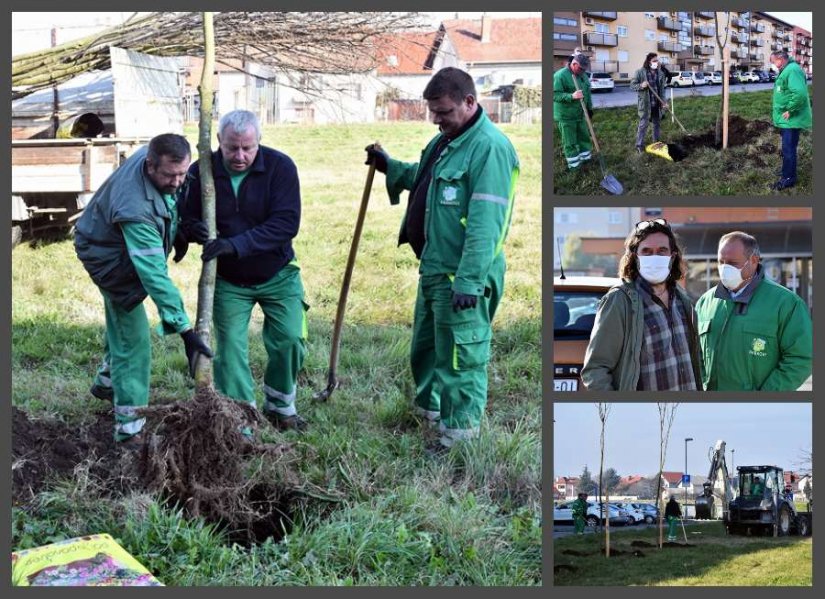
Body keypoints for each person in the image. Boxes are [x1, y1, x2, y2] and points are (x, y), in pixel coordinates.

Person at [364, 67, 519, 451]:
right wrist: (392, 168)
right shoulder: (445, 141)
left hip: (463, 276)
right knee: (426, 349)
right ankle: (432, 417)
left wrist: (469, 280)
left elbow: (487, 224)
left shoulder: (490, 149)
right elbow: (428, 178)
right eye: (432, 111)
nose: (436, 119)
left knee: (460, 356)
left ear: (470, 102)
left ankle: (459, 440)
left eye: (444, 111)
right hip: (434, 268)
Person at [74, 134, 213, 444]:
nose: (177, 181)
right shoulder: (134, 208)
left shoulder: (158, 156)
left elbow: (167, 202)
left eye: (183, 173)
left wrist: (180, 230)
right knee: (134, 343)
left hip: (115, 239)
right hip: (107, 256)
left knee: (124, 331)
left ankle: (107, 381)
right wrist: (185, 331)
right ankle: (129, 431)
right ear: (150, 166)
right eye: (169, 175)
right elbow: (155, 277)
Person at [183, 110, 309, 431]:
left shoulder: (281, 168)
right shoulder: (202, 172)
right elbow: (184, 216)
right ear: (218, 143)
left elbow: (285, 224)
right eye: (231, 148)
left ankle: (281, 407)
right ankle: (242, 421)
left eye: (247, 148)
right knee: (230, 350)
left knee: (291, 339)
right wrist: (191, 229)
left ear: (259, 143)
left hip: (278, 273)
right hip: (228, 279)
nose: (240, 156)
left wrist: (235, 244)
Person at [581, 219, 701, 391]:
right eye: (647, 251)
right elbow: (596, 369)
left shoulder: (683, 299)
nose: (655, 257)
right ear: (635, 257)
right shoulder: (620, 301)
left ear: (672, 256)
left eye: (662, 251)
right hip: (644, 415)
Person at [695, 232, 812, 391]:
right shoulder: (705, 302)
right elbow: (696, 355)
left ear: (754, 261)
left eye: (732, 263)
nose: (724, 269)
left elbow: (801, 359)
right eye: (721, 262)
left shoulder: (787, 304)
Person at [769, 50, 812, 190]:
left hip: (791, 118)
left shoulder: (792, 70)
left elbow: (799, 93)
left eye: (774, 61)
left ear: (781, 59)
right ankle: (786, 172)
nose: (773, 65)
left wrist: (790, 109)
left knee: (788, 149)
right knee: (787, 148)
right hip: (787, 119)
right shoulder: (787, 69)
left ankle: (789, 179)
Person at [553, 53, 593, 171]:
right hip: (566, 116)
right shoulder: (560, 76)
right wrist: (571, 96)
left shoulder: (583, 75)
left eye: (584, 69)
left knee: (584, 138)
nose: (582, 71)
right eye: (581, 68)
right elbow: (554, 94)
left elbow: (587, 93)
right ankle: (575, 166)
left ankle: (586, 160)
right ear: (574, 64)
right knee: (570, 141)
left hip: (581, 113)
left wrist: (589, 109)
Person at [629, 53, 668, 154]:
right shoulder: (640, 72)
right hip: (646, 105)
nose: (657, 62)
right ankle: (639, 145)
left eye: (657, 60)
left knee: (656, 124)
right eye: (654, 61)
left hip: (656, 104)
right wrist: (641, 85)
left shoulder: (660, 74)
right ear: (649, 62)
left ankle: (656, 143)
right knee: (643, 125)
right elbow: (632, 85)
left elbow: (662, 91)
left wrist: (664, 102)